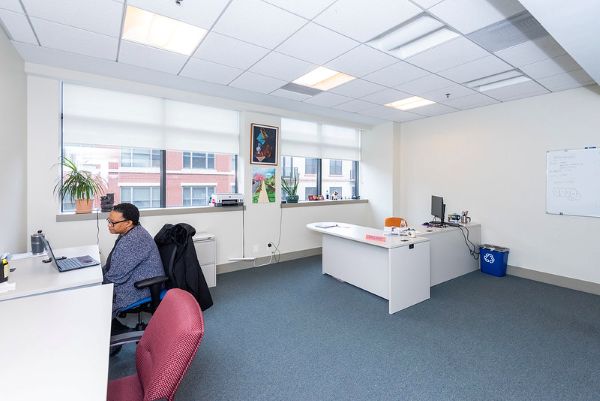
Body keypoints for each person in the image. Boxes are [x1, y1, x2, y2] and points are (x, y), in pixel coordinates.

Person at [103, 203, 164, 330]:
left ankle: (117, 330)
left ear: (128, 223)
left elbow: (115, 277)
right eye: (109, 220)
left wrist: (96, 283)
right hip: (136, 277)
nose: (109, 225)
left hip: (141, 286)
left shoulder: (133, 240)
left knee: (95, 299)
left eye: (113, 222)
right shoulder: (130, 232)